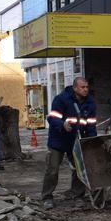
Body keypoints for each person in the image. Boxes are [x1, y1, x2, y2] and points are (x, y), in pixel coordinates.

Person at [42, 76, 97, 207]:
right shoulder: (61, 99)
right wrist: (62, 124)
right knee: (53, 169)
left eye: (87, 87)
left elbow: (91, 124)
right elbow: (52, 118)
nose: (85, 90)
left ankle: (78, 196)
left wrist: (91, 141)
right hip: (59, 140)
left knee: (79, 169)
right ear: (74, 88)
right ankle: (47, 197)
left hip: (77, 141)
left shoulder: (90, 103)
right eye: (82, 87)